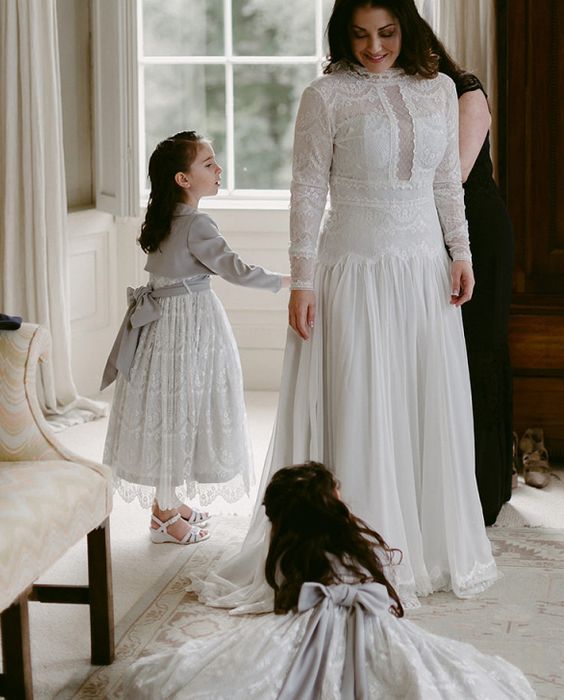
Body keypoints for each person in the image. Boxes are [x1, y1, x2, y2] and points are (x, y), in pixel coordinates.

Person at [190, 0, 497, 609]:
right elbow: (306, 189)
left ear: (406, 29)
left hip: (421, 271)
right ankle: (354, 549)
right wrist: (302, 280)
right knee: (362, 399)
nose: (374, 47)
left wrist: (459, 252)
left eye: (386, 33)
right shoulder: (325, 96)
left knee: (420, 401)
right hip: (352, 269)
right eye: (360, 36)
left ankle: (428, 546)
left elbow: (444, 182)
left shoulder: (439, 89)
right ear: (342, 36)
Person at [123, 462, 536, 699]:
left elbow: (288, 592)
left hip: (302, 627)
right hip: (374, 627)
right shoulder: (354, 547)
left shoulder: (288, 551)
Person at [101, 131, 288, 545]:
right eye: (208, 164)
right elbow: (234, 268)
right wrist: (285, 281)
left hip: (163, 325)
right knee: (185, 404)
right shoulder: (197, 223)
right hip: (187, 324)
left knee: (173, 405)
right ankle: (164, 515)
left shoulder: (167, 217)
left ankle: (169, 500)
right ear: (182, 179)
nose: (218, 169)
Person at [427, 32, 519, 523]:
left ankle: (484, 490)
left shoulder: (467, 93)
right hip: (429, 232)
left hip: (477, 229)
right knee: (444, 354)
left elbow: (453, 175)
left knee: (478, 350)